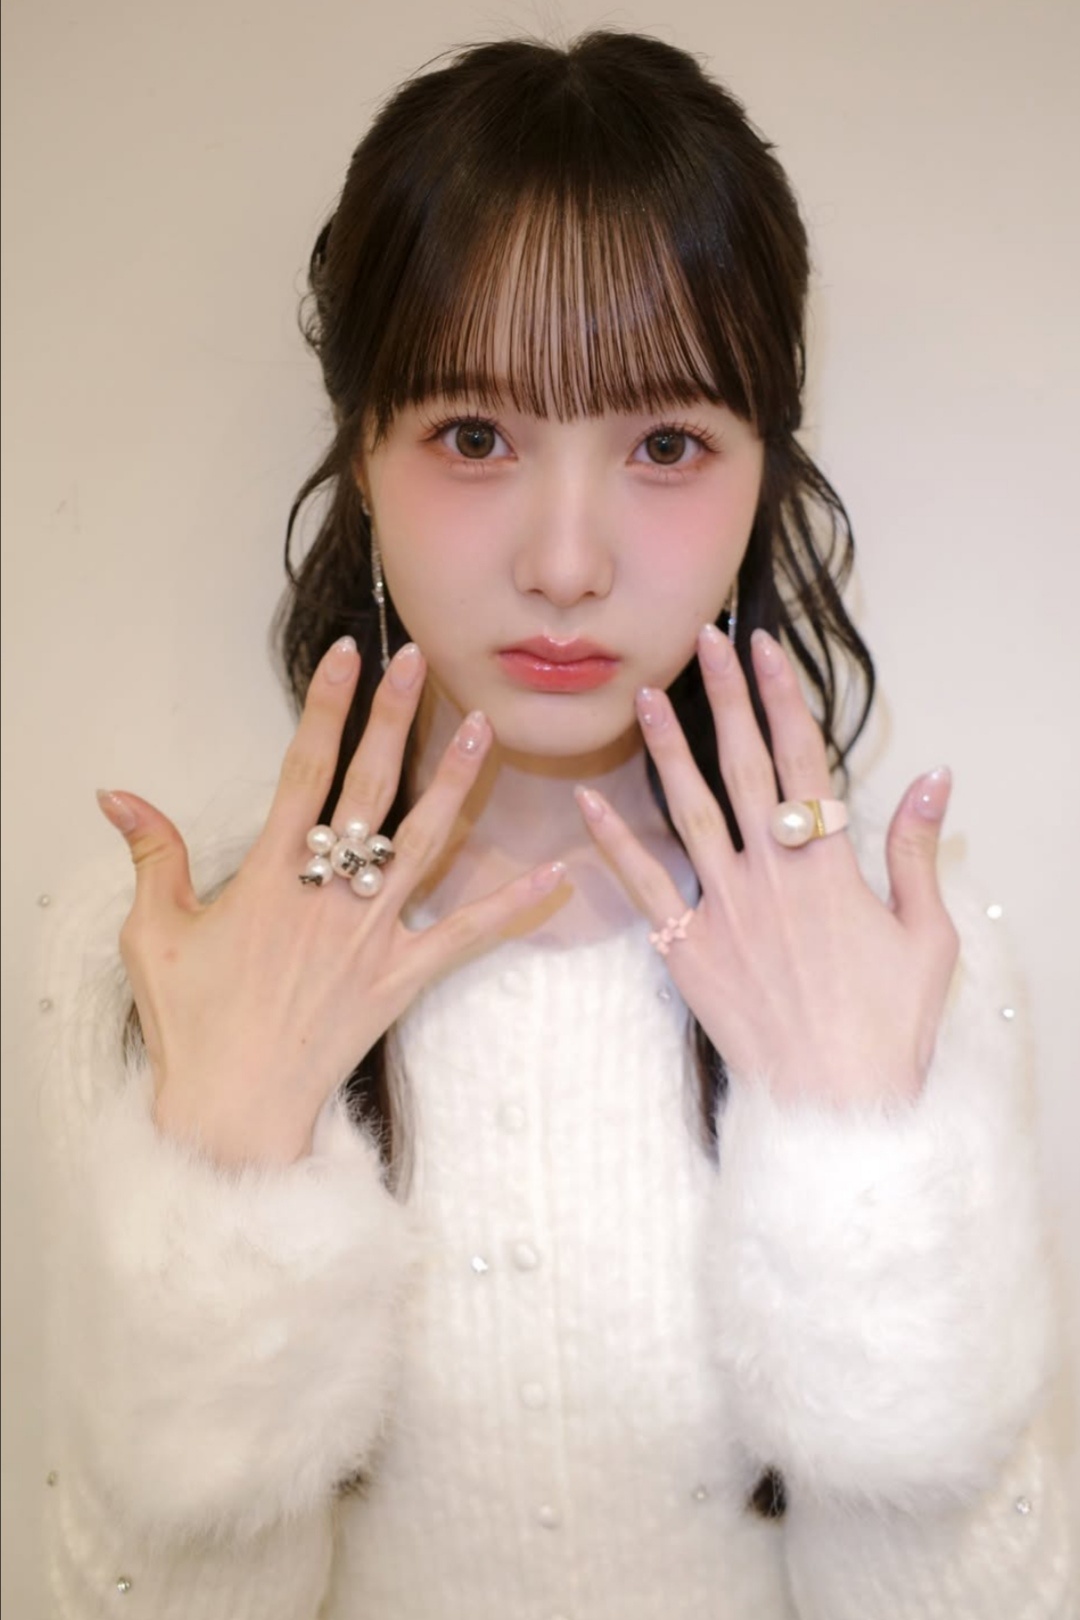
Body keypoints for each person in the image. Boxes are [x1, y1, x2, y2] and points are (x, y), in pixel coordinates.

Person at [43, 30, 1074, 1620]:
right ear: (364, 454)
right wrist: (224, 1182)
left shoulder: (898, 951)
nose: (569, 563)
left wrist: (861, 1149)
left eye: (666, 445)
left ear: (762, 476)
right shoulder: (164, 961)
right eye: (475, 436)